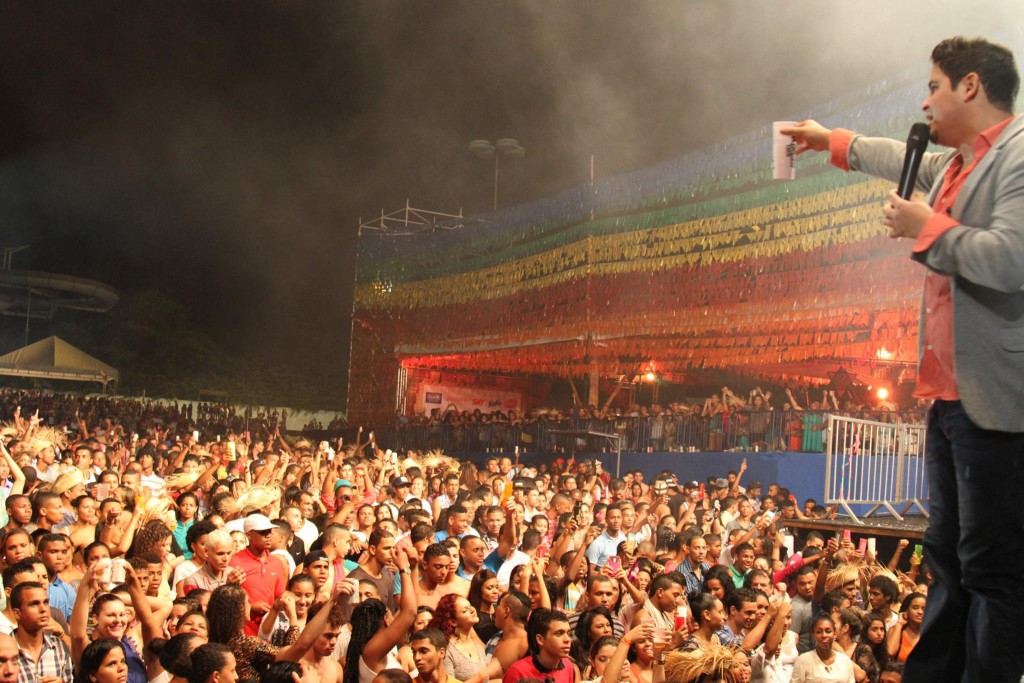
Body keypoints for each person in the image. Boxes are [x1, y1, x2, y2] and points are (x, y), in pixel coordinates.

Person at [783, 37, 1024, 682]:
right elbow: (896, 155)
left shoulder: (1019, 155)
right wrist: (828, 139)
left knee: (993, 569)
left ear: (970, 86)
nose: (925, 99)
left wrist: (926, 227)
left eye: (935, 86)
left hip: (998, 403)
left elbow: (1012, 258)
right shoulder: (954, 164)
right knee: (946, 554)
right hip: (949, 399)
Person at [10, 582, 73, 683]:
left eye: (46, 602)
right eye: (34, 604)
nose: (43, 609)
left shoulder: (59, 647)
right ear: (17, 613)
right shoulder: (4, 650)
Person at [502, 609, 578, 683]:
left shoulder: (568, 666)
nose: (567, 639)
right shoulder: (518, 672)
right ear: (540, 639)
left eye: (568, 634)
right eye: (559, 633)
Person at [427, 595, 488, 682]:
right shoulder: (447, 650)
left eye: (470, 605)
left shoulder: (479, 648)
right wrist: (480, 676)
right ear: (453, 622)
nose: (472, 610)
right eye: (465, 610)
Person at [790, 615, 855, 683]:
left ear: (835, 634)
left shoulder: (845, 661)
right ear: (813, 635)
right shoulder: (803, 660)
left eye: (828, 631)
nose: (824, 635)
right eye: (819, 632)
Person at [886, 593, 925, 665]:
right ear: (906, 610)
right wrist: (900, 623)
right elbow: (890, 652)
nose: (920, 612)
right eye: (915, 608)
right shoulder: (896, 630)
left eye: (924, 609)